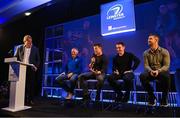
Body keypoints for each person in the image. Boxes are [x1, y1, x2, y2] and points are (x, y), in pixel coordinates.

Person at [139, 34, 171, 107]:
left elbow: (166, 66)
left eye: (150, 39)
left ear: (156, 40)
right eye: (148, 39)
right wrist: (150, 71)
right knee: (142, 76)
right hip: (150, 72)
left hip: (161, 72)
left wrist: (158, 71)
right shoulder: (145, 53)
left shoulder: (164, 51)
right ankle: (152, 97)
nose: (148, 40)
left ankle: (164, 100)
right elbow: (146, 65)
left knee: (167, 76)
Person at [14, 35, 40, 105]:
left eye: (31, 42)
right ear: (24, 41)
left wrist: (36, 66)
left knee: (31, 85)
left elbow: (38, 60)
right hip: (21, 67)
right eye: (28, 42)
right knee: (22, 84)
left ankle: (30, 100)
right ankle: (23, 99)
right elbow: (15, 57)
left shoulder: (35, 49)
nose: (30, 43)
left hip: (31, 68)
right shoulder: (19, 48)